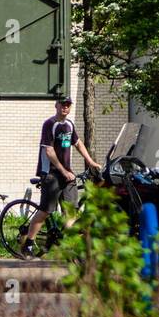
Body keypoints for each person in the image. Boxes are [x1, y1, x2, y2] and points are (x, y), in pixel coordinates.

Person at [22, 97, 101, 254]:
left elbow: (78, 143)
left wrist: (90, 161)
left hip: (67, 175)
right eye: (62, 104)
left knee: (70, 213)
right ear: (56, 105)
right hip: (51, 174)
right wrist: (64, 171)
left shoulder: (69, 125)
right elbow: (49, 151)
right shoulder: (50, 124)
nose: (65, 107)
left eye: (68, 105)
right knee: (46, 211)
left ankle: (74, 249)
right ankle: (28, 244)